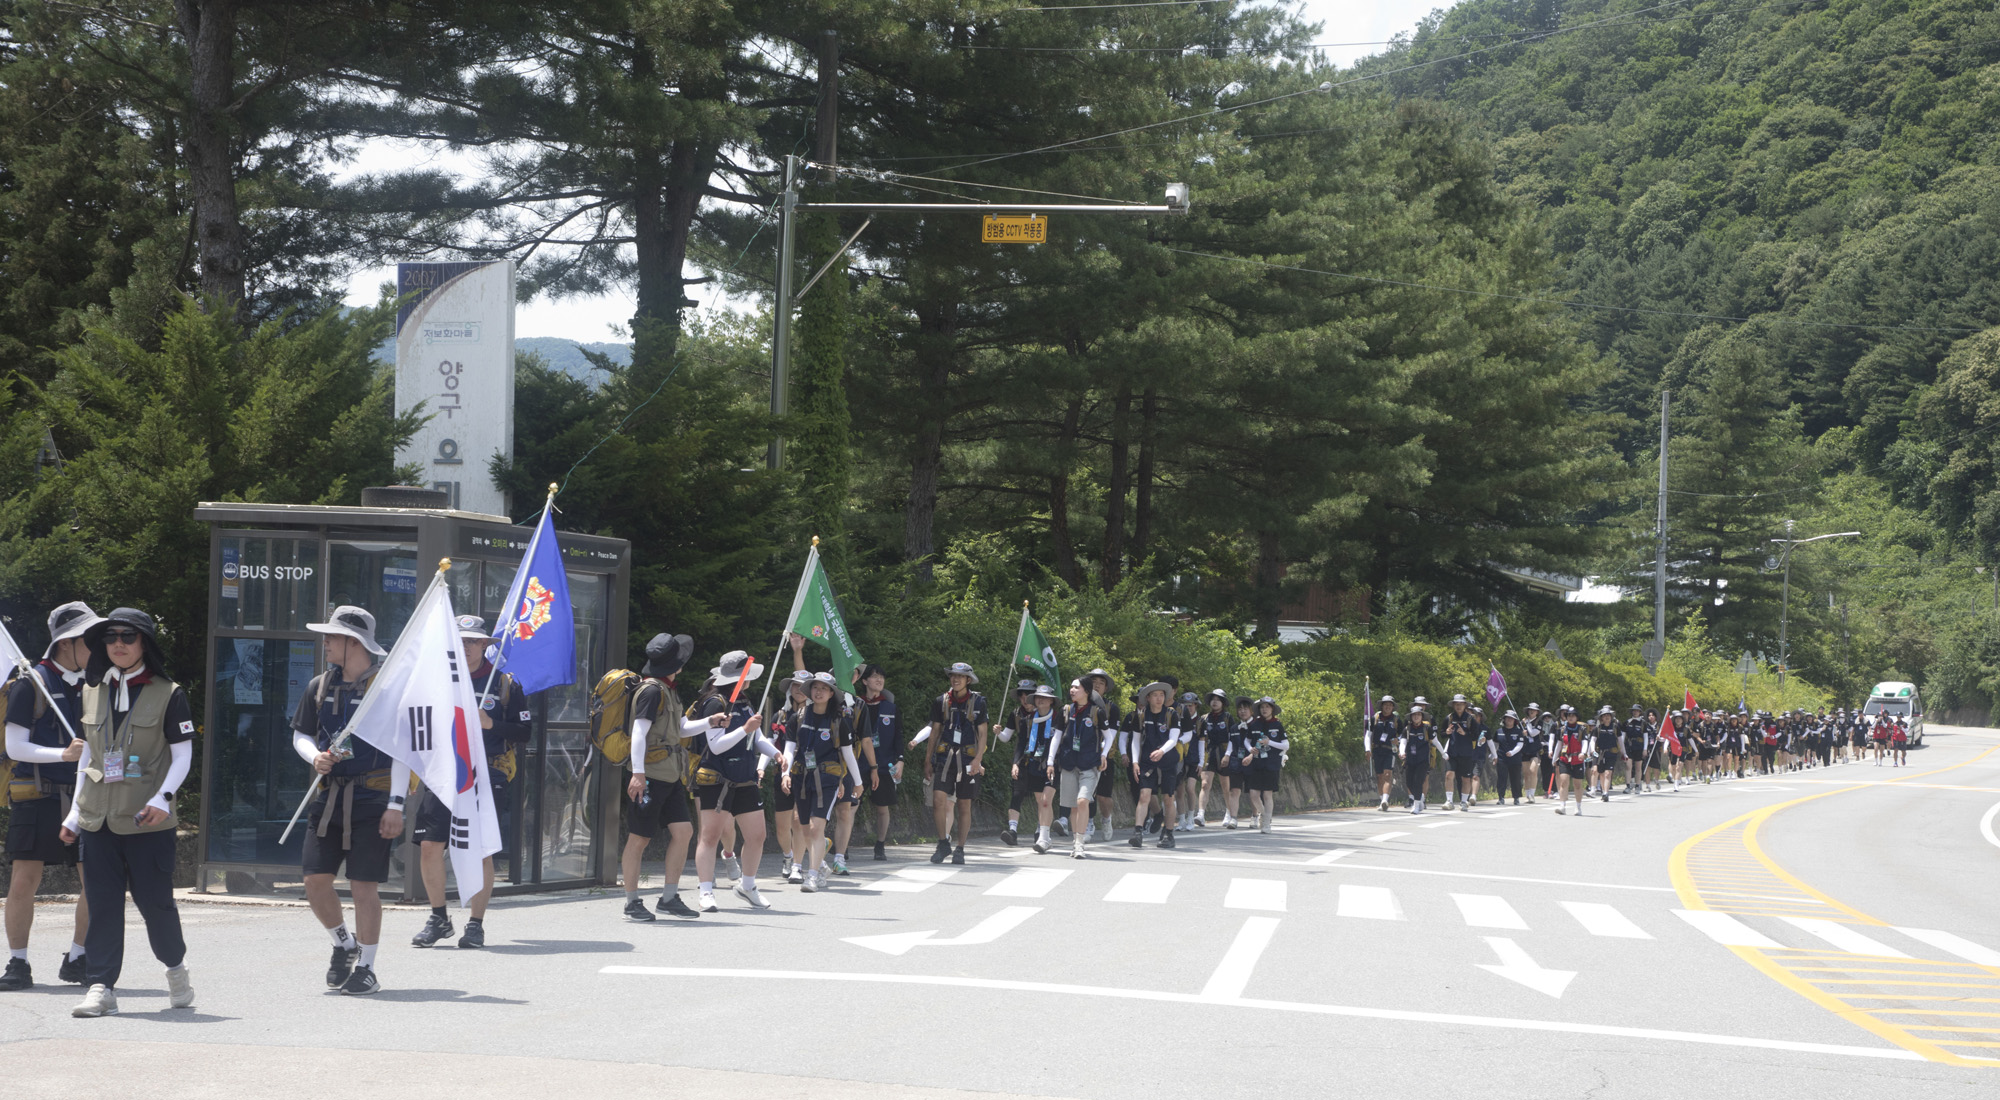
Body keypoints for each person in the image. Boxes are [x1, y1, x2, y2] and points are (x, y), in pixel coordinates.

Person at [56, 608, 195, 1018]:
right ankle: (101, 986)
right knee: (102, 904)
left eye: (128, 636)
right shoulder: (91, 690)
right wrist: (72, 816)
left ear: (144, 644)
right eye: (110, 636)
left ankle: (175, 969)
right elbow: (90, 758)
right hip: (97, 818)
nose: (118, 643)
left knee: (156, 906)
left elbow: (183, 756)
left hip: (146, 819)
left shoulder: (170, 693)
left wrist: (162, 799)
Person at [294, 605, 406, 996]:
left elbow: (403, 750)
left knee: (363, 888)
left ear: (354, 643)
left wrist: (397, 805)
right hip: (328, 797)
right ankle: (343, 943)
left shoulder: (388, 690)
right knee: (314, 882)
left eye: (333, 637)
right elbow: (302, 735)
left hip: (374, 796)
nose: (326, 643)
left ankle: (368, 968)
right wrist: (315, 757)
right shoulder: (318, 686)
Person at [409, 616, 533, 946]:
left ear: (483, 645)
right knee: (430, 845)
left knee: (481, 849)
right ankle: (438, 918)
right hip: (444, 770)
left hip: (489, 770)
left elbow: (525, 733)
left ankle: (475, 924)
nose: (464, 647)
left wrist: (490, 723)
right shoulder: (438, 680)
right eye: (459, 641)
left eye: (471, 642)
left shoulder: (505, 683)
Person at [2, 602, 100, 992]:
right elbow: (15, 746)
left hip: (86, 793)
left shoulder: (96, 685)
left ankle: (78, 956)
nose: (98, 646)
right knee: (24, 879)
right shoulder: (30, 683)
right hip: (36, 793)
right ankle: (18, 962)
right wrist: (62, 754)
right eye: (88, 639)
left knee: (95, 880)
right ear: (65, 644)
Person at [615, 632, 703, 923]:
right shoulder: (652, 691)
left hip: (670, 775)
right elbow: (639, 732)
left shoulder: (668, 690)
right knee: (639, 838)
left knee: (684, 832)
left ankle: (668, 898)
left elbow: (681, 728)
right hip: (651, 776)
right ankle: (631, 902)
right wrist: (637, 774)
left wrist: (711, 722)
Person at [690, 651, 779, 909]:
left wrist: (776, 754)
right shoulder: (715, 703)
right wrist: (744, 729)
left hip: (745, 778)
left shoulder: (744, 701)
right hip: (716, 779)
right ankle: (706, 891)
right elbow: (716, 746)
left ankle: (747, 885)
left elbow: (757, 738)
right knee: (710, 836)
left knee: (757, 835)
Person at [783, 671, 865, 892]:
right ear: (809, 691)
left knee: (815, 827)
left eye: (823, 688)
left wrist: (858, 782)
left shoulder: (840, 722)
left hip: (828, 779)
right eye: (815, 688)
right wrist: (785, 773)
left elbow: (848, 754)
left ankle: (812, 875)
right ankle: (819, 864)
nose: (818, 692)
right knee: (804, 827)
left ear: (831, 693)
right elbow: (790, 749)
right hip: (801, 777)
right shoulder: (798, 717)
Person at [922, 662, 989, 865]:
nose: (955, 679)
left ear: (968, 680)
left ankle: (960, 848)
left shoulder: (978, 702)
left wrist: (978, 760)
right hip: (944, 758)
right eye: (953, 675)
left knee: (963, 805)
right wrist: (927, 760)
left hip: (968, 760)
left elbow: (983, 733)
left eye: (960, 676)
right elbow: (934, 732)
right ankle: (943, 843)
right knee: (938, 800)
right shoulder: (941, 701)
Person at [1051, 681, 1112, 859]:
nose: (1072, 690)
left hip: (1090, 764)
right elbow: (1057, 737)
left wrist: (1104, 754)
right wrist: (1049, 761)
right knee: (1073, 807)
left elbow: (1108, 737)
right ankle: (1076, 842)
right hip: (1069, 763)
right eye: (1071, 687)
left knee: (1082, 801)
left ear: (1086, 691)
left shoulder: (1096, 712)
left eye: (1077, 687)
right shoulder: (1066, 711)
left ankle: (1080, 844)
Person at [849, 663, 902, 861]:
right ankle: (842, 845)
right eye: (874, 676)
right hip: (857, 762)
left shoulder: (890, 707)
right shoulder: (856, 704)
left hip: (884, 763)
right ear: (864, 681)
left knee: (882, 807)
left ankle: (880, 845)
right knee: (852, 804)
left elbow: (899, 736)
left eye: (882, 677)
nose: (879, 680)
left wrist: (900, 760)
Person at [1128, 682, 1186, 848]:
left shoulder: (1171, 714)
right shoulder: (1140, 715)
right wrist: (1134, 762)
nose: (1159, 698)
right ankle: (1137, 832)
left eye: (1162, 695)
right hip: (1147, 762)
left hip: (1168, 762)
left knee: (1168, 798)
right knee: (1144, 795)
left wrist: (1162, 751)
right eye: (1155, 695)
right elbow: (1136, 741)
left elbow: (1174, 739)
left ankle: (1168, 833)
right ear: (1148, 698)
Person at [767, 671, 811, 880]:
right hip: (782, 773)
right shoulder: (780, 716)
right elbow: (769, 743)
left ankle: (797, 865)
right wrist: (760, 767)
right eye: (794, 685)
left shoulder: (816, 716)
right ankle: (788, 855)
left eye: (802, 686)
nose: (798, 690)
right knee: (782, 825)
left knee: (798, 820)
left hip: (806, 774)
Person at [996, 679, 1038, 846]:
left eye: (1027, 696)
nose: (1024, 700)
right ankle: (1012, 830)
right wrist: (998, 733)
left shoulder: (1045, 713)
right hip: (1022, 758)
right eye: (1021, 696)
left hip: (1041, 759)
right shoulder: (1016, 714)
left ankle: (1041, 829)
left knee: (1040, 796)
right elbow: (1007, 737)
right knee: (1017, 793)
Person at [1084, 669, 1121, 842]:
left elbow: (1110, 735)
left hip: (1105, 757)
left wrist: (1102, 754)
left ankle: (1106, 820)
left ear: (1106, 688)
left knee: (1103, 796)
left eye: (1101, 682)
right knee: (1086, 793)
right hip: (1083, 756)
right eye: (1093, 681)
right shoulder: (1081, 705)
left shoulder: (1111, 708)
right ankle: (1088, 822)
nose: (1097, 684)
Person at [1241, 697, 1287, 833]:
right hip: (1256, 762)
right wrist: (1250, 750)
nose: (1264, 709)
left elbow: (1286, 745)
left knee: (1267, 794)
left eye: (1267, 707)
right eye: (1262, 707)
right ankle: (1265, 815)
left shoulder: (1277, 725)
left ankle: (1266, 824)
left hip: (1271, 764)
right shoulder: (1255, 724)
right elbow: (1246, 740)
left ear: (1272, 709)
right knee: (1254, 794)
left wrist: (1269, 742)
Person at [1441, 694, 1484, 812]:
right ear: (1453, 705)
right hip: (1452, 752)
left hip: (1466, 753)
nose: (1458, 706)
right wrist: (1447, 732)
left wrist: (1465, 733)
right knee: (1449, 775)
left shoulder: (1471, 719)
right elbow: (1442, 734)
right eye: (1456, 704)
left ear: (1465, 705)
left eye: (1461, 704)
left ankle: (1464, 802)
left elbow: (1476, 736)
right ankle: (1449, 801)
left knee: (1465, 778)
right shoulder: (1449, 718)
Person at [1195, 689, 1231, 827]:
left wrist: (1228, 755)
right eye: (1213, 699)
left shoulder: (1227, 718)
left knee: (1225, 785)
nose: (1215, 702)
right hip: (1208, 752)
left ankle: (1228, 813)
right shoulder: (1204, 718)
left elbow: (1232, 738)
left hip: (1223, 752)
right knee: (1205, 784)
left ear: (1222, 703)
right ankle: (1201, 814)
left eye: (1218, 699)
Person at [1550, 705, 1591, 817]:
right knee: (1563, 781)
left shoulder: (1582, 729)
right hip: (1564, 759)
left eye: (1573, 715)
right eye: (1569, 715)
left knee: (1577, 784)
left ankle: (1578, 807)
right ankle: (1562, 806)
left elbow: (1585, 742)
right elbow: (1559, 744)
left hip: (1577, 759)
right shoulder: (1562, 729)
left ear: (1577, 717)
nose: (1571, 717)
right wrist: (1554, 758)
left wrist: (1583, 752)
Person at [1399, 697, 1435, 814]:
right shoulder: (1407, 729)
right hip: (1410, 759)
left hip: (1423, 760)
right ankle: (1418, 801)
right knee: (1409, 782)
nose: (1416, 717)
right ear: (1411, 716)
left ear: (1422, 716)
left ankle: (1416, 805)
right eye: (1414, 715)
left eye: (1418, 715)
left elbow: (1436, 741)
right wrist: (1401, 752)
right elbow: (1403, 742)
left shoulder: (1426, 728)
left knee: (1418, 781)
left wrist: (1444, 753)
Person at [1223, 695, 1254, 826]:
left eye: (1245, 708)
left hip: (1253, 762)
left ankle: (1255, 816)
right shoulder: (1234, 728)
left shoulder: (1257, 726)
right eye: (1240, 709)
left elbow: (1262, 745)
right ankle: (1233, 818)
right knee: (1234, 790)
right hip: (1237, 762)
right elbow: (1231, 744)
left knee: (1253, 791)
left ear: (1252, 711)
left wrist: (1252, 756)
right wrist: (1227, 755)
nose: (1242, 711)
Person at [1366, 695, 1399, 811]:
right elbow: (1368, 735)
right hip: (1377, 750)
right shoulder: (1375, 718)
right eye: (1386, 705)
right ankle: (1382, 801)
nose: (1388, 707)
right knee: (1379, 776)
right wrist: (1367, 749)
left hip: (1390, 750)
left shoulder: (1396, 720)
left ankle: (1385, 800)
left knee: (1387, 775)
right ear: (1382, 706)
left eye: (1390, 705)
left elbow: (1404, 735)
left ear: (1393, 707)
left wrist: (1398, 740)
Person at [1491, 710, 1528, 806]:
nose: (1509, 720)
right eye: (1507, 718)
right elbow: (1495, 744)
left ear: (1515, 720)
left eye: (1511, 718)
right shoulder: (1499, 731)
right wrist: (1493, 756)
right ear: (1504, 719)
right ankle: (1501, 797)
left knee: (1515, 778)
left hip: (1515, 759)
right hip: (1501, 758)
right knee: (1501, 778)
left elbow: (1520, 744)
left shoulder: (1518, 731)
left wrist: (1512, 752)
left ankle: (1516, 798)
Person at [1590, 705, 1622, 803]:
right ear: (1601, 718)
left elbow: (1620, 741)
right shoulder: (1597, 728)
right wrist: (1592, 750)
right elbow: (1592, 740)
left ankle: (1605, 793)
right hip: (1598, 752)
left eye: (1608, 715)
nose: (1607, 717)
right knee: (1596, 771)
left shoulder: (1616, 727)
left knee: (1607, 773)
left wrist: (1624, 753)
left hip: (1611, 753)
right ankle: (1594, 790)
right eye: (1604, 715)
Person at [1519, 703, 1546, 803]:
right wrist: (1522, 732)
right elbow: (1519, 733)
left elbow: (1534, 733)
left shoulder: (1539, 722)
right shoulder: (1522, 721)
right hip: (1525, 749)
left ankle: (1532, 794)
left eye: (1534, 710)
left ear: (1537, 712)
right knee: (1526, 773)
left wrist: (1528, 725)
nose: (1532, 711)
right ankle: (1527, 795)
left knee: (1532, 770)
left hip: (1535, 749)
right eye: (1530, 709)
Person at [1622, 705, 1650, 794]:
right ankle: (1628, 785)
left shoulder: (1643, 723)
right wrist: (1622, 748)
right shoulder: (1627, 722)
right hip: (1629, 746)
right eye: (1634, 711)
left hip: (1639, 746)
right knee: (1628, 766)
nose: (1635, 712)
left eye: (1637, 711)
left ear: (1640, 712)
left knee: (1638, 767)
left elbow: (1646, 737)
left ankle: (1638, 785)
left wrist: (1645, 749)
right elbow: (1622, 736)